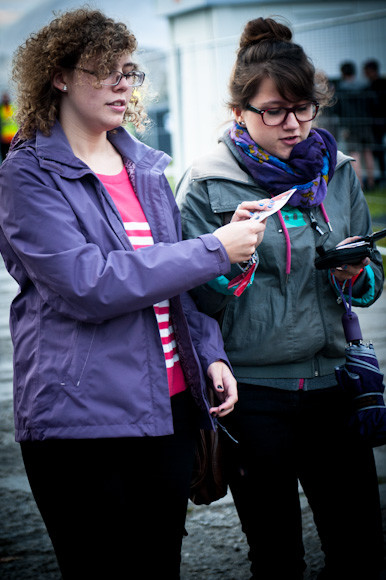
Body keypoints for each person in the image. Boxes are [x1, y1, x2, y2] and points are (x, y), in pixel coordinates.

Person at [0, 8, 268, 579]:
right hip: (81, 419)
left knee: (157, 567)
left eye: (131, 72)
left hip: (167, 407)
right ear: (59, 76)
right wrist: (216, 248)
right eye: (106, 70)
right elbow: (87, 284)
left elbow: (174, 284)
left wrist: (209, 351)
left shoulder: (143, 168)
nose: (124, 84)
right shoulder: (25, 175)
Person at [176, 17, 385, 580]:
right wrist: (230, 262)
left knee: (360, 547)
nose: (292, 124)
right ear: (240, 110)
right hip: (253, 394)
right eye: (274, 110)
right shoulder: (206, 183)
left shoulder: (336, 171)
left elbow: (370, 283)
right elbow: (190, 303)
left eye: (304, 107)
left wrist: (356, 273)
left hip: (334, 385)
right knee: (276, 556)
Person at [336, 61, 375, 189]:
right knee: (368, 152)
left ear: (342, 73)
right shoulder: (365, 86)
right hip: (366, 124)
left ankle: (360, 185)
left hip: (351, 126)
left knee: (355, 155)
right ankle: (371, 182)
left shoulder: (341, 89)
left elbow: (338, 109)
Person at [363, 59, 386, 183]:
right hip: (376, 124)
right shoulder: (369, 86)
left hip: (379, 122)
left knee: (379, 149)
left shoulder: (376, 86)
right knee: (378, 150)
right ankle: (382, 175)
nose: (364, 74)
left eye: (366, 71)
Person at [0, 91, 18, 161]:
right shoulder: (1, 109)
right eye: (4, 98)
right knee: (4, 159)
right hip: (4, 139)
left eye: (6, 98)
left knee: (12, 159)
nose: (5, 99)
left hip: (13, 138)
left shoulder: (13, 108)